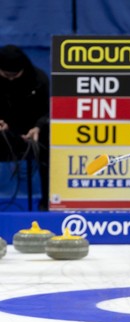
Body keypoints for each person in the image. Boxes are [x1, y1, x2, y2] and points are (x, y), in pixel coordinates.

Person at [0, 44, 50, 211]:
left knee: (49, 142)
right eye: (6, 75)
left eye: (15, 75)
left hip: (32, 136)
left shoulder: (39, 79)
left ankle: (48, 203)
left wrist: (38, 126)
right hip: (3, 135)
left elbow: (48, 111)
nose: (11, 79)